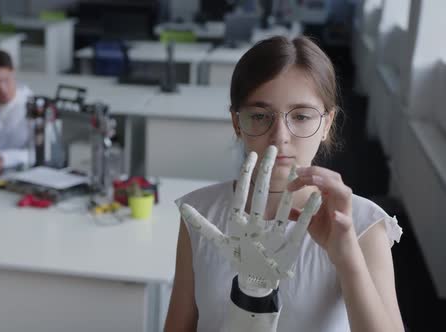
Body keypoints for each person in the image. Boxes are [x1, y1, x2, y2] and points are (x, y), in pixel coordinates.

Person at [164, 36, 404, 332]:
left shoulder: (363, 223)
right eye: (260, 116)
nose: (280, 136)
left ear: (327, 124)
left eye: (301, 116)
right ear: (237, 123)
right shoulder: (200, 213)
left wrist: (346, 257)